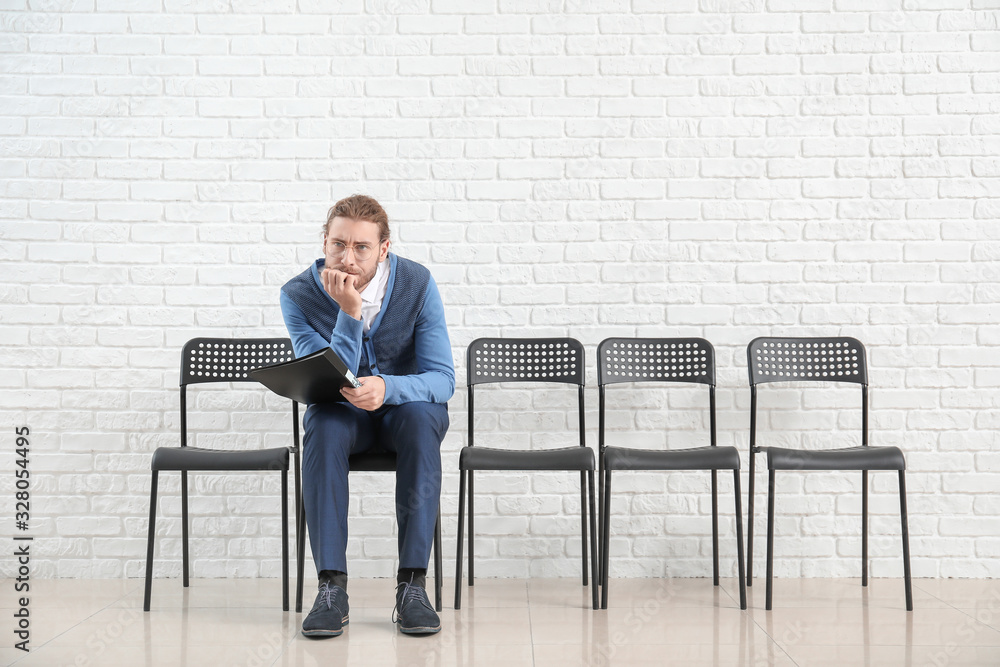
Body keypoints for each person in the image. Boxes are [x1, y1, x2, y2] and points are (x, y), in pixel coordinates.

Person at [280, 194, 454, 638]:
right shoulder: (298, 295)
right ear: (324, 241)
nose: (348, 257)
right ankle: (331, 589)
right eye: (338, 244)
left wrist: (389, 388)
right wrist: (350, 313)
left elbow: (442, 380)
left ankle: (413, 585)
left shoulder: (418, 284)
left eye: (361, 247)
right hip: (342, 414)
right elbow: (318, 378)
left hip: (405, 412)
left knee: (419, 421)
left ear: (384, 248)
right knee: (322, 423)